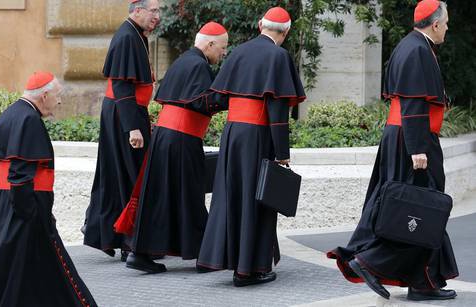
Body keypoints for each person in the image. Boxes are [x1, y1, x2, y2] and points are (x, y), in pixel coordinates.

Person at [327, 0, 458, 301]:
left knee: (420, 208)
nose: (448, 27)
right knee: (419, 208)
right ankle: (370, 262)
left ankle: (423, 281)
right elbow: (413, 102)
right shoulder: (417, 50)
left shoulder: (410, 45)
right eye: (446, 22)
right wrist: (418, 149)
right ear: (435, 24)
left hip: (404, 136)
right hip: (412, 139)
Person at [196, 7, 306, 287]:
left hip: (233, 134)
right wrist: (282, 155)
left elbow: (220, 97)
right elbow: (277, 111)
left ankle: (230, 261)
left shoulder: (239, 52)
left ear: (260, 25)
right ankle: (249, 270)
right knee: (258, 199)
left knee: (232, 195)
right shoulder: (279, 56)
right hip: (258, 135)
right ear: (287, 31)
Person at [0, 72, 97, 306]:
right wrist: (30, 214)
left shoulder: (10, 113)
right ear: (45, 95)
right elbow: (19, 175)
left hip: (6, 206)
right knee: (46, 269)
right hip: (25, 212)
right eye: (58, 96)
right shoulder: (29, 119)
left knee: (10, 270)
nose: (59, 101)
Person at [121, 22, 229, 273]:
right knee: (189, 195)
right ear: (210, 44)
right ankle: (206, 254)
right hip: (181, 138)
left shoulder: (185, 61)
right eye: (222, 48)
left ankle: (142, 253)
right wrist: (230, 96)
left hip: (168, 137)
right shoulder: (198, 64)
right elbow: (202, 101)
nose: (223, 53)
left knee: (164, 197)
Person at [83, 0, 160, 261]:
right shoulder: (127, 37)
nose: (157, 16)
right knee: (131, 175)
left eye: (159, 11)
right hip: (123, 114)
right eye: (154, 11)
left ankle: (108, 234)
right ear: (137, 11)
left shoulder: (135, 34)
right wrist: (133, 129)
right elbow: (123, 86)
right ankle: (131, 242)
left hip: (126, 112)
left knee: (118, 174)